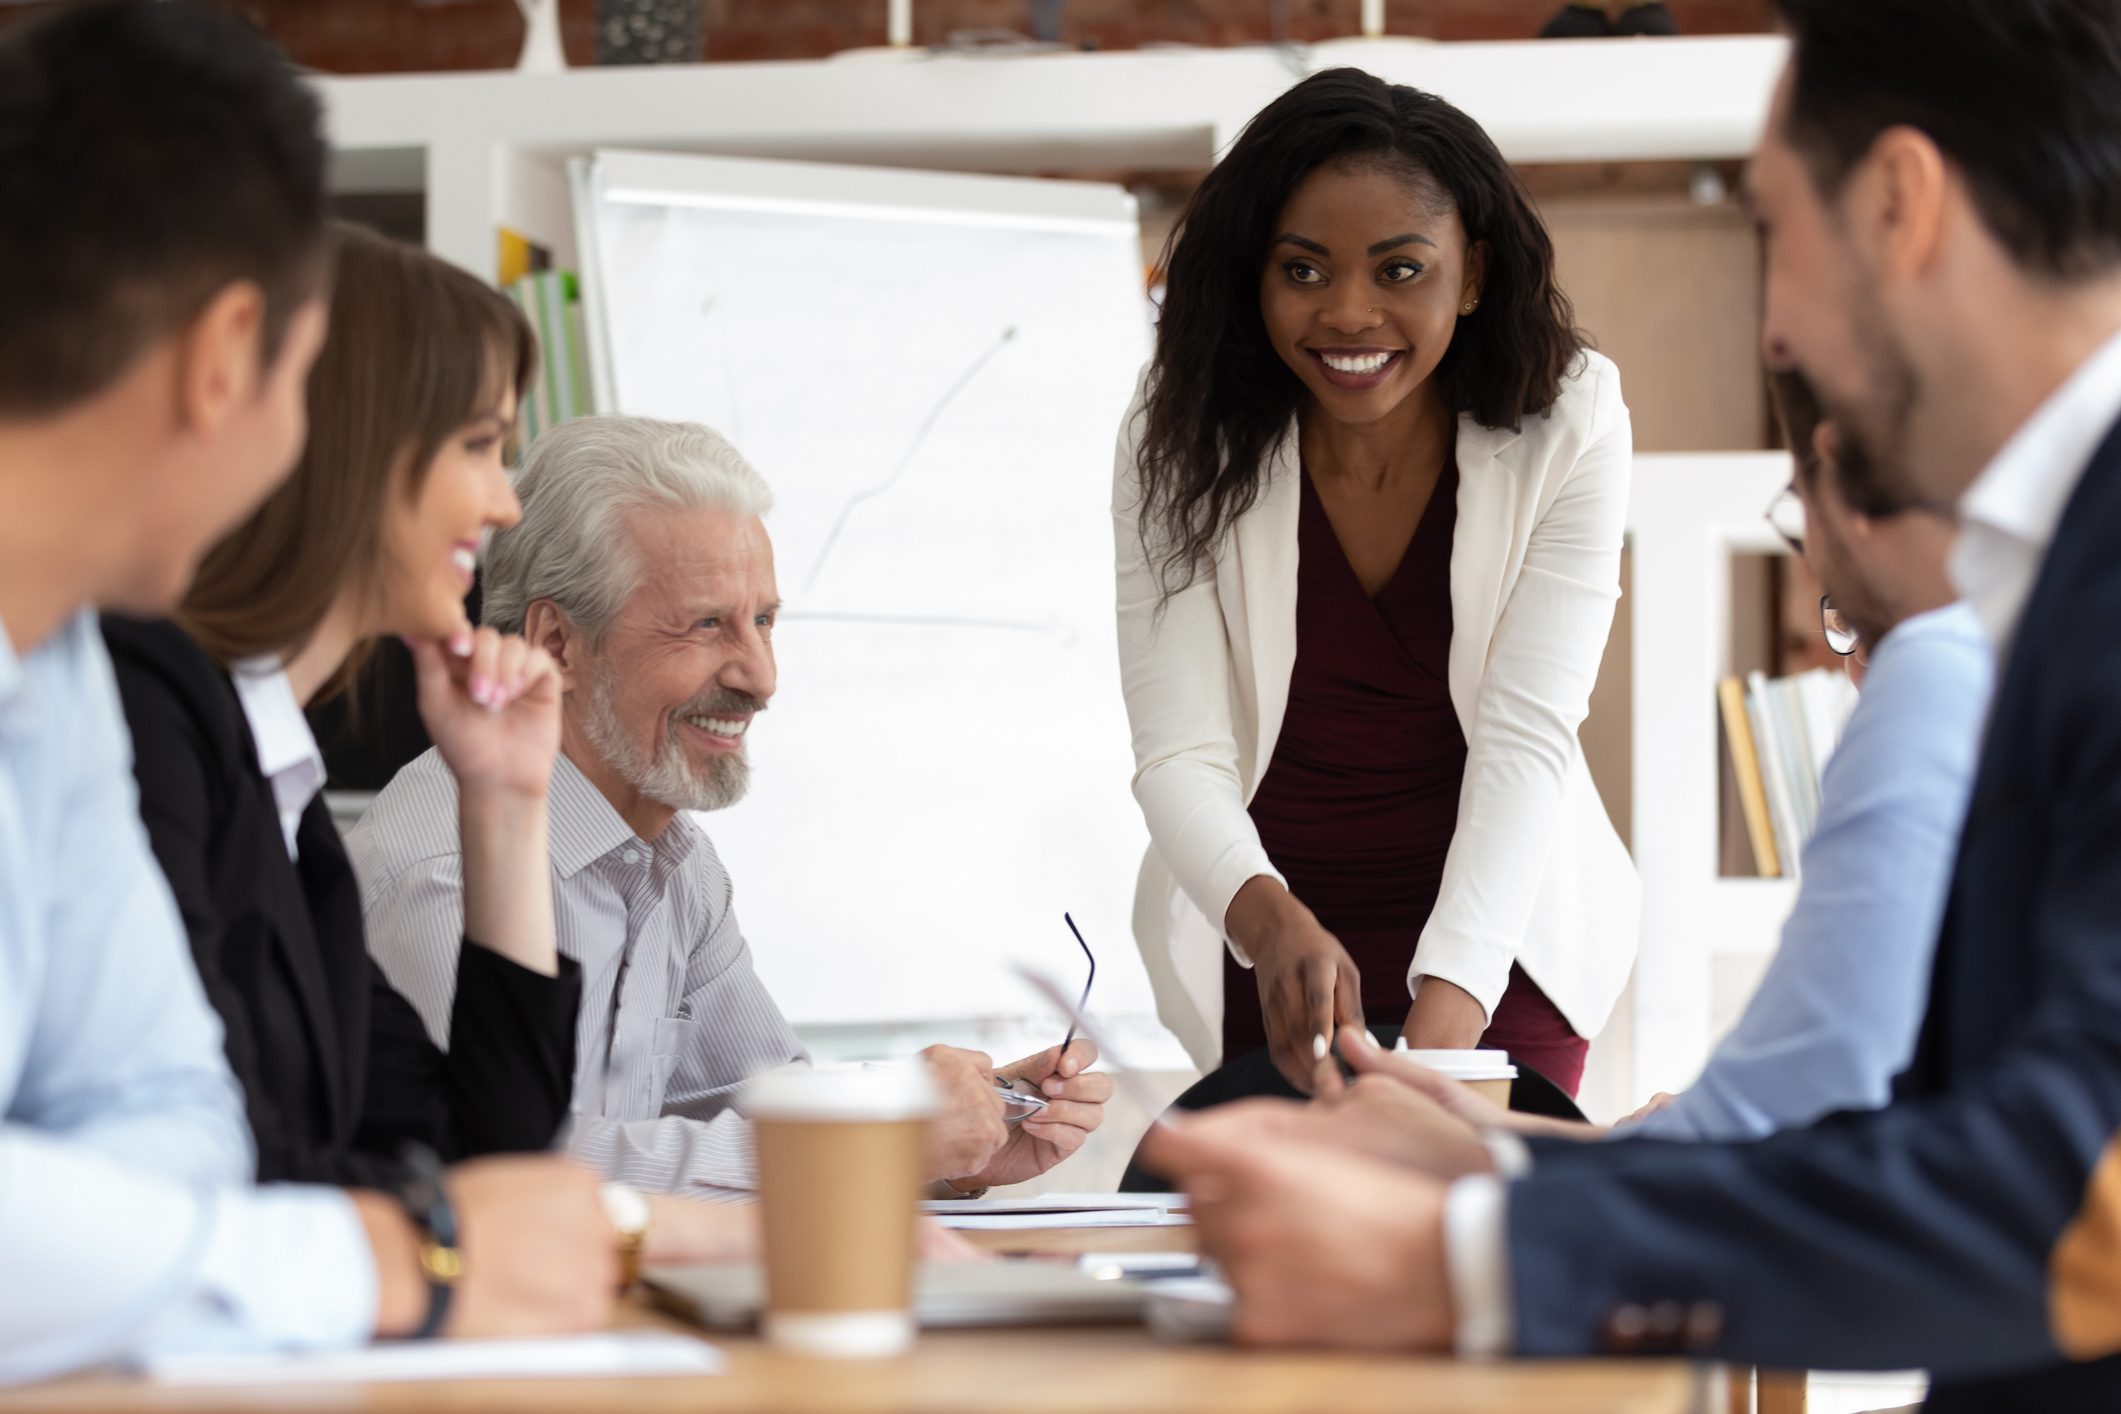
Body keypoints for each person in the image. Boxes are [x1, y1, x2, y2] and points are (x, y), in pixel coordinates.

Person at [1145, 0, 2121, 1403]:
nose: (1774, 320)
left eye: (1771, 230)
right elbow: (1960, 1127)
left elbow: (2068, 1179)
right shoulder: (2048, 585)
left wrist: (1484, 1244)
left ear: (1901, 205)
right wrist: (1525, 1162)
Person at [0, 3, 610, 1383]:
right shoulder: (152, 690)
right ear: (228, 360)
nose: (504, 500)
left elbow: (172, 1116)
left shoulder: (71, 672)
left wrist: (156, 1245)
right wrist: (392, 1259)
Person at [353, 414, 1114, 1208]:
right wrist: (880, 1141)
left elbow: (761, 1108)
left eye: (763, 619)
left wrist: (954, 1145)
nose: (761, 676)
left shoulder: (676, 861)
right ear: (556, 644)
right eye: (707, 623)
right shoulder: (443, 872)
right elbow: (502, 1171)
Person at [1115, 66, 1634, 1098]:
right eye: (1303, 272)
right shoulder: (1179, 431)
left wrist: (1448, 1017)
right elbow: (1178, 749)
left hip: (1501, 932)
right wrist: (1268, 924)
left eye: (1400, 270)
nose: (1348, 314)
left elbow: (1527, 736)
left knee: (1481, 1233)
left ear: (1473, 273)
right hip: (1267, 937)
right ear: (1254, 275)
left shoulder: (1571, 420)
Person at [101, 222, 581, 1189]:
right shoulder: (146, 713)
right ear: (355, 446)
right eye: (479, 446)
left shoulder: (285, 803)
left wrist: (504, 801)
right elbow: (223, 1165)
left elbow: (487, 1152)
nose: (505, 505)